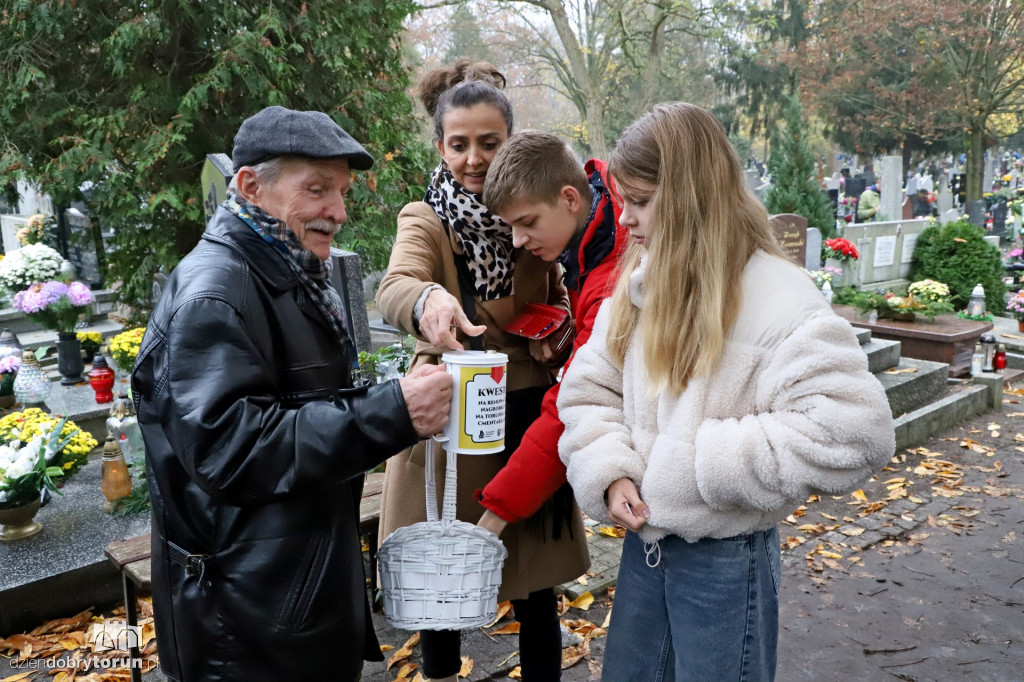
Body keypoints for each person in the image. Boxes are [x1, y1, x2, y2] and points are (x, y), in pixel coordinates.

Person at [556, 103, 895, 681]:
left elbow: (855, 432)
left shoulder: (778, 298)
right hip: (646, 551)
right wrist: (611, 471)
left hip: (725, 562)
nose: (625, 218)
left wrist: (694, 466)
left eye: (639, 200)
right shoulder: (642, 283)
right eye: (622, 198)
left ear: (690, 195)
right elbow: (589, 392)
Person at [132, 106, 453, 682]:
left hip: (287, 592)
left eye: (343, 191)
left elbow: (299, 403)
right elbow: (230, 447)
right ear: (251, 185)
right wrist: (390, 411)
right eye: (317, 189)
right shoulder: (215, 294)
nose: (338, 210)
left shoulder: (284, 272)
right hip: (248, 620)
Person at [375, 61, 589, 682]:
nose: (473, 158)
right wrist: (425, 301)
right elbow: (396, 285)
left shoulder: (534, 210)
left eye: (489, 143)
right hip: (448, 432)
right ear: (441, 146)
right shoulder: (426, 219)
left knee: (536, 589)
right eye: (459, 143)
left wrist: (555, 332)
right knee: (441, 593)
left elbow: (558, 293)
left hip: (526, 428)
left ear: (510, 145)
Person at [473, 131, 627, 537]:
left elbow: (576, 398)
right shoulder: (598, 222)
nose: (519, 241)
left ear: (570, 199)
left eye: (527, 223)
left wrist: (496, 513)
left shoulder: (612, 276)